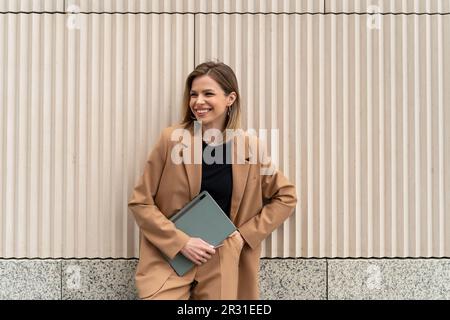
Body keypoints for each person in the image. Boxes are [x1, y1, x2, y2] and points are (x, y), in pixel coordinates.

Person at [128, 61, 297, 300]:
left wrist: (243, 236)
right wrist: (181, 242)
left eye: (208, 93)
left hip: (222, 259)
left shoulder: (250, 148)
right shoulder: (172, 140)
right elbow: (140, 203)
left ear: (230, 99)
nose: (198, 101)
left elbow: (286, 197)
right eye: (194, 94)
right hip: (172, 259)